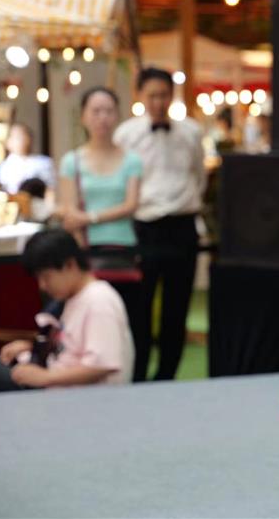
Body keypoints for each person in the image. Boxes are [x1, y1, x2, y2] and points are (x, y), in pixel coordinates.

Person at [114, 67, 205, 381]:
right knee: (140, 307)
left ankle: (168, 376)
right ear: (140, 96)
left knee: (176, 308)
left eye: (164, 95)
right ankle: (137, 375)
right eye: (152, 95)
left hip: (182, 227)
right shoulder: (126, 134)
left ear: (172, 95)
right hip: (144, 228)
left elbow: (199, 176)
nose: (158, 102)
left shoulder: (191, 132)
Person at [0, 229, 134, 393]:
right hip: (60, 385)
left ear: (70, 265)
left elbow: (102, 365)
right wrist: (31, 348)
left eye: (46, 277)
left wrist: (45, 377)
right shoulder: (75, 298)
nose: (43, 286)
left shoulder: (99, 301)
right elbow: (69, 347)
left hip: (81, 396)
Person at [58, 86, 145, 380]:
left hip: (124, 255)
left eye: (108, 111)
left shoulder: (131, 160)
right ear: (83, 116)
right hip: (87, 256)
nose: (102, 117)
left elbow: (131, 205)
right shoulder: (72, 162)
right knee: (87, 325)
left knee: (128, 326)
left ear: (117, 115)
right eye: (95, 111)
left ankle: (132, 382)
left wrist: (90, 217)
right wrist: (80, 244)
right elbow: (69, 213)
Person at [0, 122, 56, 197]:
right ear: (8, 142)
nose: (21, 140)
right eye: (16, 137)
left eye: (23, 136)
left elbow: (51, 190)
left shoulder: (45, 163)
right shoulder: (3, 167)